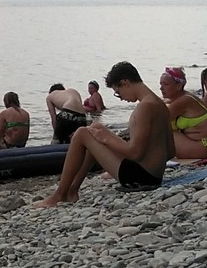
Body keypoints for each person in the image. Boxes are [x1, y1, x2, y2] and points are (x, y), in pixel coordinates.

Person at [34, 62, 173, 206]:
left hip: (140, 177)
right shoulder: (159, 104)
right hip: (153, 175)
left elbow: (136, 153)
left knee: (82, 133)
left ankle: (59, 194)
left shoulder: (145, 107)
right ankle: (72, 190)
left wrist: (107, 139)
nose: (120, 98)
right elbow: (170, 151)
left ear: (124, 83)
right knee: (96, 128)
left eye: (117, 92)